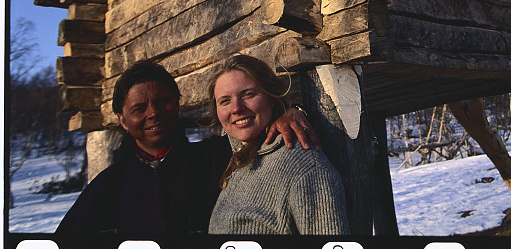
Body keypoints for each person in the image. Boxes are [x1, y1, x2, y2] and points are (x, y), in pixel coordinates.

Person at [56, 60, 319, 234]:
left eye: (162, 101)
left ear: (178, 103)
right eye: (138, 108)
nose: (153, 113)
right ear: (122, 121)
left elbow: (251, 126)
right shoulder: (109, 185)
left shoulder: (218, 158)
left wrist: (289, 112)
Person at [207, 54, 349, 235]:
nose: (236, 108)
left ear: (271, 97)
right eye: (225, 101)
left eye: (248, 94)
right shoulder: (241, 160)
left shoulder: (301, 165)